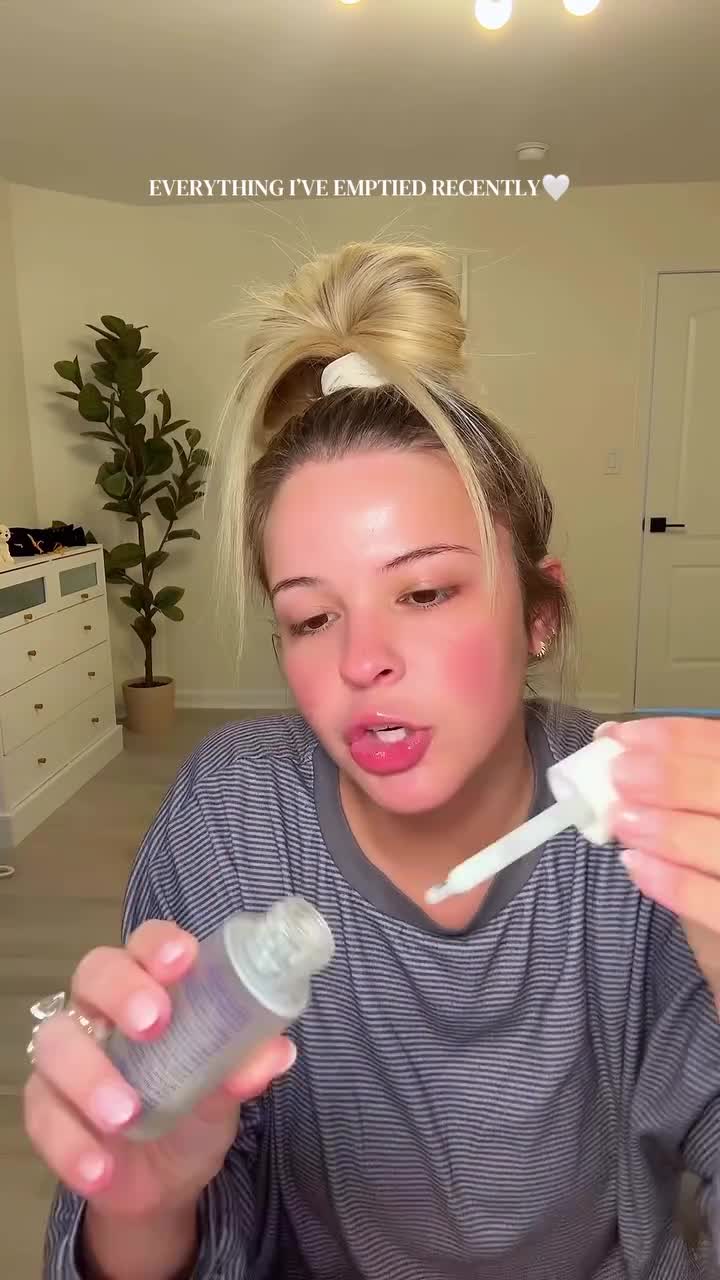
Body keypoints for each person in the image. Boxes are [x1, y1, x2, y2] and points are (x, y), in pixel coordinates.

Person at [27, 241, 720, 1280]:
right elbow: (171, 1183)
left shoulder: (646, 838)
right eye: (311, 617)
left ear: (539, 613)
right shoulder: (232, 817)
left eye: (425, 592)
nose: (361, 662)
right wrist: (145, 1210)